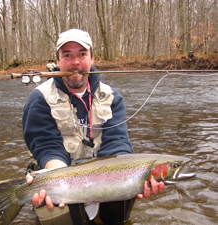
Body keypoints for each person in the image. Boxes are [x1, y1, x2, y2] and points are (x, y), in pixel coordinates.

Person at [22, 28, 164, 225]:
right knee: (52, 210)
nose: (76, 62)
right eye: (67, 55)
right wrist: (55, 180)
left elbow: (117, 142)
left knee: (128, 191)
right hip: (57, 169)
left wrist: (134, 177)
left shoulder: (111, 96)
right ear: (57, 61)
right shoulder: (40, 98)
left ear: (92, 58)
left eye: (82, 54)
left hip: (102, 172)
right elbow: (46, 145)